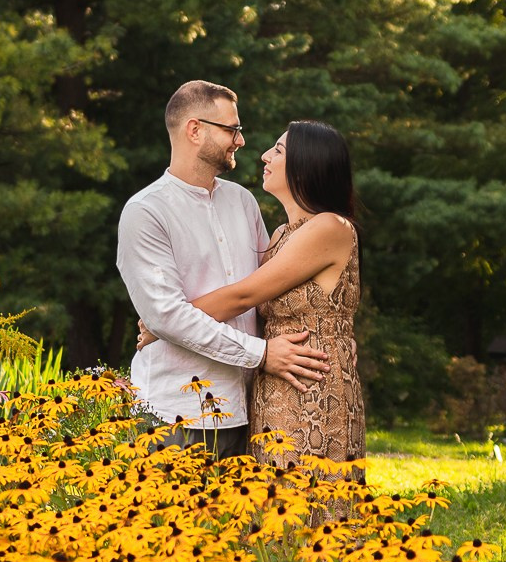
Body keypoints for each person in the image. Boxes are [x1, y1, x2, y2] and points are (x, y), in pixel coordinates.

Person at [116, 81, 330, 458]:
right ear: (195, 130)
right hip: (174, 416)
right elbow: (167, 315)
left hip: (248, 412)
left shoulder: (243, 202)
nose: (241, 141)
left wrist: (330, 338)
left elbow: (269, 291)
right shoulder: (145, 212)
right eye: (232, 129)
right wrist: (261, 353)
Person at [139, 120, 363, 472]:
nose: (264, 155)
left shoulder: (330, 227)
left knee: (308, 492)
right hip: (272, 386)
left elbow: (244, 295)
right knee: (267, 496)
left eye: (279, 150)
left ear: (306, 164)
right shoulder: (281, 235)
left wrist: (162, 322)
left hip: (314, 388)